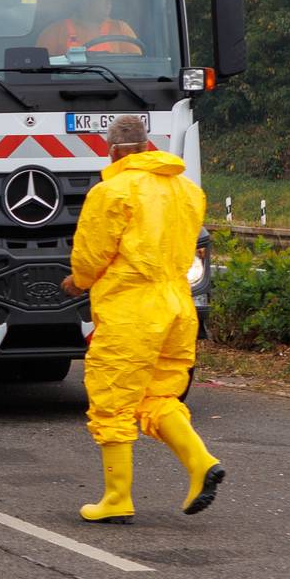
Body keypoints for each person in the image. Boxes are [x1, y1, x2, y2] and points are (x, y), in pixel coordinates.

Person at [60, 115, 223, 522]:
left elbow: (92, 253)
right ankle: (200, 462)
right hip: (177, 306)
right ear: (149, 146)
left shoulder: (111, 191)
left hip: (131, 309)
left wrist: (77, 282)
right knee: (158, 396)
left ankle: (117, 498)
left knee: (112, 401)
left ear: (112, 150)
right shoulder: (188, 190)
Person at [36, 0, 142, 58]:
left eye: (110, 0)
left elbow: (137, 64)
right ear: (85, 1)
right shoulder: (55, 31)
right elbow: (41, 66)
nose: (109, 4)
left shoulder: (121, 28)